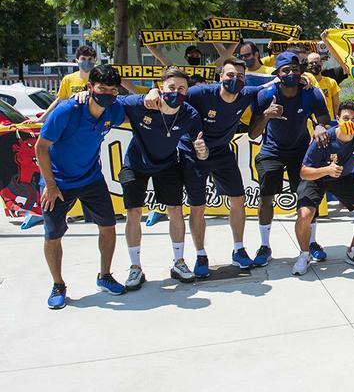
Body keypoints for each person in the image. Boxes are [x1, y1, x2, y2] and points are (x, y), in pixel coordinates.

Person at [146, 59, 263, 276]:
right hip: (192, 153)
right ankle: (200, 254)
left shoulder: (247, 93)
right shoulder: (199, 93)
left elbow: (271, 85)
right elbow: (170, 94)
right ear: (220, 77)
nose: (234, 79)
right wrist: (153, 91)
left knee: (238, 199)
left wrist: (304, 79)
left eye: (239, 76)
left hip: (221, 152)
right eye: (230, 75)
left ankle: (239, 249)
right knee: (197, 208)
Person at [37, 65, 128, 309]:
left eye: (112, 90)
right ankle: (58, 285)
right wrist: (50, 184)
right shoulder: (68, 110)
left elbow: (137, 106)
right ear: (90, 87)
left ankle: (105, 276)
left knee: (108, 226)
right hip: (57, 182)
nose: (107, 93)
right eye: (102, 88)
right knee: (53, 235)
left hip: (91, 179)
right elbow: (41, 147)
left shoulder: (114, 109)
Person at [118, 68, 207, 289]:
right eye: (171, 87)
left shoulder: (190, 114)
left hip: (167, 163)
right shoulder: (142, 104)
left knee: (175, 211)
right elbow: (112, 101)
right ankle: (135, 268)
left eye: (181, 88)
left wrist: (202, 151)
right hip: (136, 163)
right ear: (161, 87)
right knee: (134, 213)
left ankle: (179, 262)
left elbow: (199, 147)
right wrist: (79, 96)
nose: (176, 92)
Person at [249, 52, 330, 272]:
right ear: (278, 74)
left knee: (307, 198)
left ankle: (311, 242)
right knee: (266, 197)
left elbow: (325, 123)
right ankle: (265, 246)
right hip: (272, 150)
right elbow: (253, 134)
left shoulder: (311, 93)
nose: (291, 73)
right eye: (286, 70)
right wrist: (266, 115)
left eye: (295, 69)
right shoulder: (266, 95)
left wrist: (321, 126)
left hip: (301, 151)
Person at [294, 101, 354, 272]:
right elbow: (304, 172)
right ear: (337, 119)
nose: (350, 122)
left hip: (342, 178)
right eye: (346, 118)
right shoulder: (324, 138)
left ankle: (353, 251)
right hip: (316, 177)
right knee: (305, 214)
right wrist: (326, 170)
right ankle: (304, 255)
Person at [40, 46, 97, 122]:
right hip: (71, 122)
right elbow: (59, 101)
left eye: (90, 59)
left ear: (95, 61)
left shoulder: (99, 80)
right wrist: (41, 119)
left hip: (92, 123)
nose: (86, 62)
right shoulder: (68, 79)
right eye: (83, 59)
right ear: (77, 61)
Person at [306, 51, 340, 117]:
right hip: (310, 123)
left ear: (321, 63)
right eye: (311, 63)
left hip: (328, 122)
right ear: (307, 65)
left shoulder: (331, 82)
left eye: (316, 62)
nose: (314, 65)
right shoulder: (304, 83)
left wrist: (336, 122)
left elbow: (336, 105)